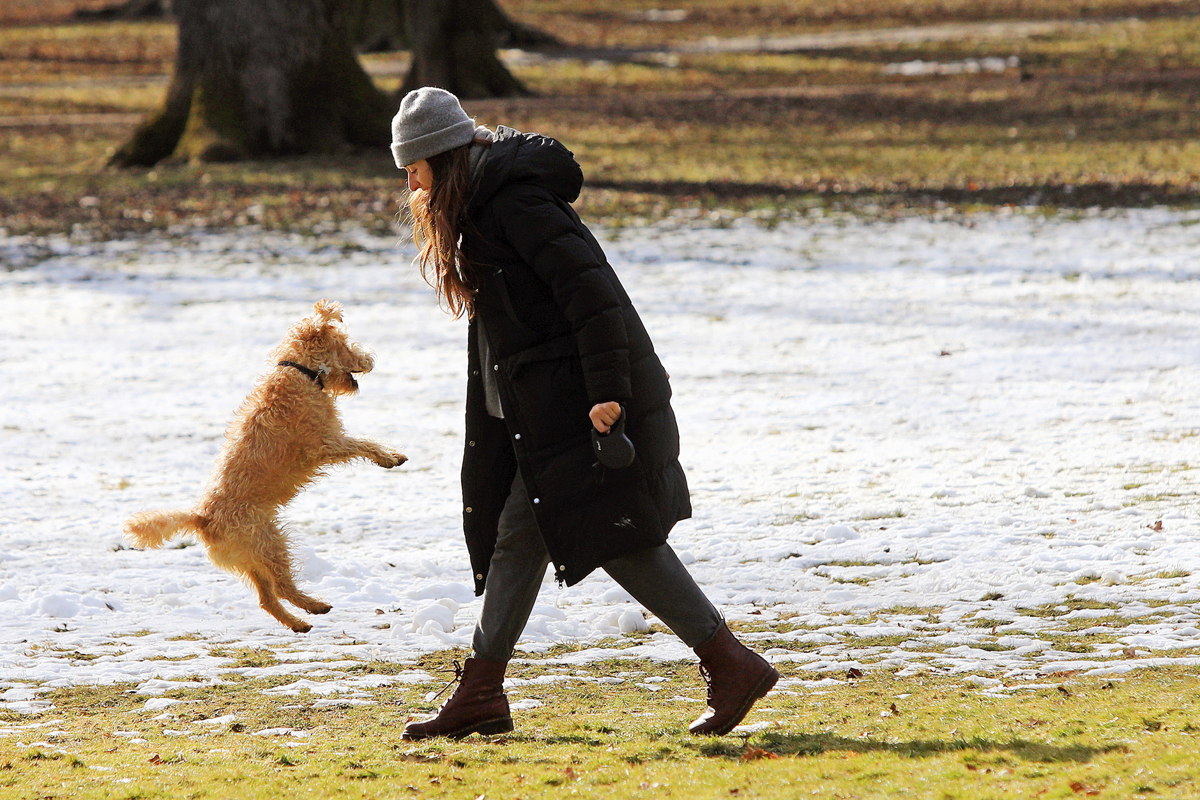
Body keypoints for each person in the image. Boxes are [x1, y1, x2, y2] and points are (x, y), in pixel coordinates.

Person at [391, 87, 778, 740]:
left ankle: (729, 661)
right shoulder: (482, 209)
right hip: (542, 412)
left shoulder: (513, 202)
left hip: (580, 405)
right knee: (523, 535)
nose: (410, 181)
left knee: (613, 534)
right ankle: (482, 691)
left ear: (443, 158)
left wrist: (607, 390)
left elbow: (592, 293)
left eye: (415, 166)